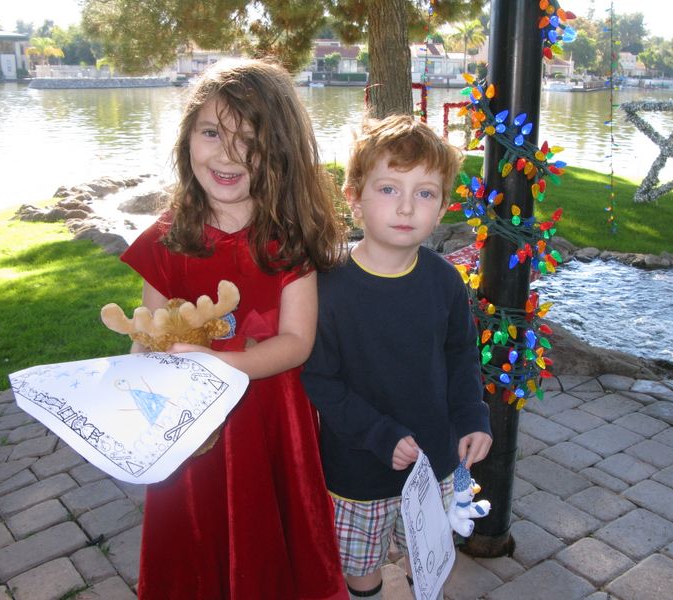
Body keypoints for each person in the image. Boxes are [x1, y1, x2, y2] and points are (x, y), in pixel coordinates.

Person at [119, 58, 348, 600]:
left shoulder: (288, 243)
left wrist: (222, 366)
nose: (226, 153)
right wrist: (131, 393)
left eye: (250, 138)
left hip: (267, 421)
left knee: (268, 540)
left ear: (281, 152)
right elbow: (148, 334)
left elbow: (296, 343)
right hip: (190, 432)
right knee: (196, 538)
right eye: (211, 132)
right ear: (187, 138)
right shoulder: (167, 239)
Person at [301, 115, 492, 600]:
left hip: (436, 461)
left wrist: (472, 416)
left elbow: (460, 356)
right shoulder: (327, 286)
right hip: (357, 466)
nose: (407, 206)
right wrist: (379, 432)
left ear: (443, 206)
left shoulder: (445, 282)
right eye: (389, 189)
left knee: (425, 552)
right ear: (354, 197)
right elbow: (319, 378)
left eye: (425, 193)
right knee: (361, 566)